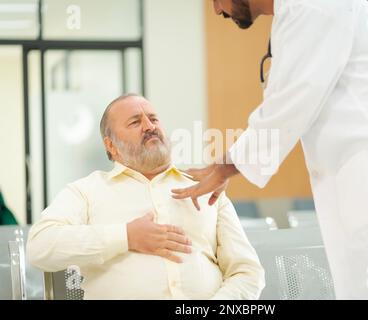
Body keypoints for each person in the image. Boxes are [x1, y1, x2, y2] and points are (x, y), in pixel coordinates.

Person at [171, 0, 368, 299]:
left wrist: (225, 168)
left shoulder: (313, 6)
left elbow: (290, 103)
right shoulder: (301, 12)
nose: (216, 10)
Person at [27, 94, 265, 300]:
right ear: (111, 145)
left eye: (153, 118)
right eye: (134, 121)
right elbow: (40, 246)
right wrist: (126, 236)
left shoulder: (208, 188)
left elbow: (247, 272)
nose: (149, 126)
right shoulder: (86, 191)